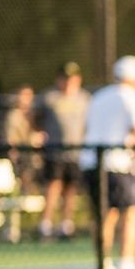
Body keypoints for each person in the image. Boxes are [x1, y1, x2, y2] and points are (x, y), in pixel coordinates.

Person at [80, 55, 135, 269]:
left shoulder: (98, 98)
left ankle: (104, 268)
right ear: (132, 78)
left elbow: (88, 129)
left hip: (91, 163)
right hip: (120, 165)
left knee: (105, 216)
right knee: (131, 213)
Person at [37, 62, 90, 240]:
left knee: (71, 188)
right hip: (55, 151)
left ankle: (66, 224)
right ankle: (46, 224)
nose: (68, 82)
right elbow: (35, 120)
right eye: (65, 78)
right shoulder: (50, 98)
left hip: (76, 152)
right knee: (53, 186)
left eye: (72, 78)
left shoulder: (84, 99)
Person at [2, 85, 44, 194]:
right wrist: (13, 150)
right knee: (24, 175)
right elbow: (11, 137)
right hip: (21, 152)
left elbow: (40, 132)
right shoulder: (13, 115)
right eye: (24, 95)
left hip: (36, 152)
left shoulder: (36, 113)